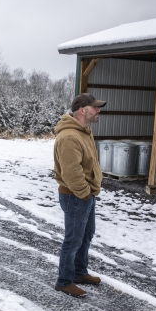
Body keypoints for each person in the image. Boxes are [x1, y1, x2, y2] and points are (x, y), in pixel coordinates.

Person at [53, 93, 106, 298]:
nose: (98, 111)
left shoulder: (84, 131)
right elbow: (71, 172)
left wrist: (91, 191)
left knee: (86, 234)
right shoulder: (69, 137)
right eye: (95, 108)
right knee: (73, 239)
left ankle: (79, 272)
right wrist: (84, 194)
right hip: (76, 195)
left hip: (86, 194)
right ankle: (64, 281)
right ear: (82, 110)